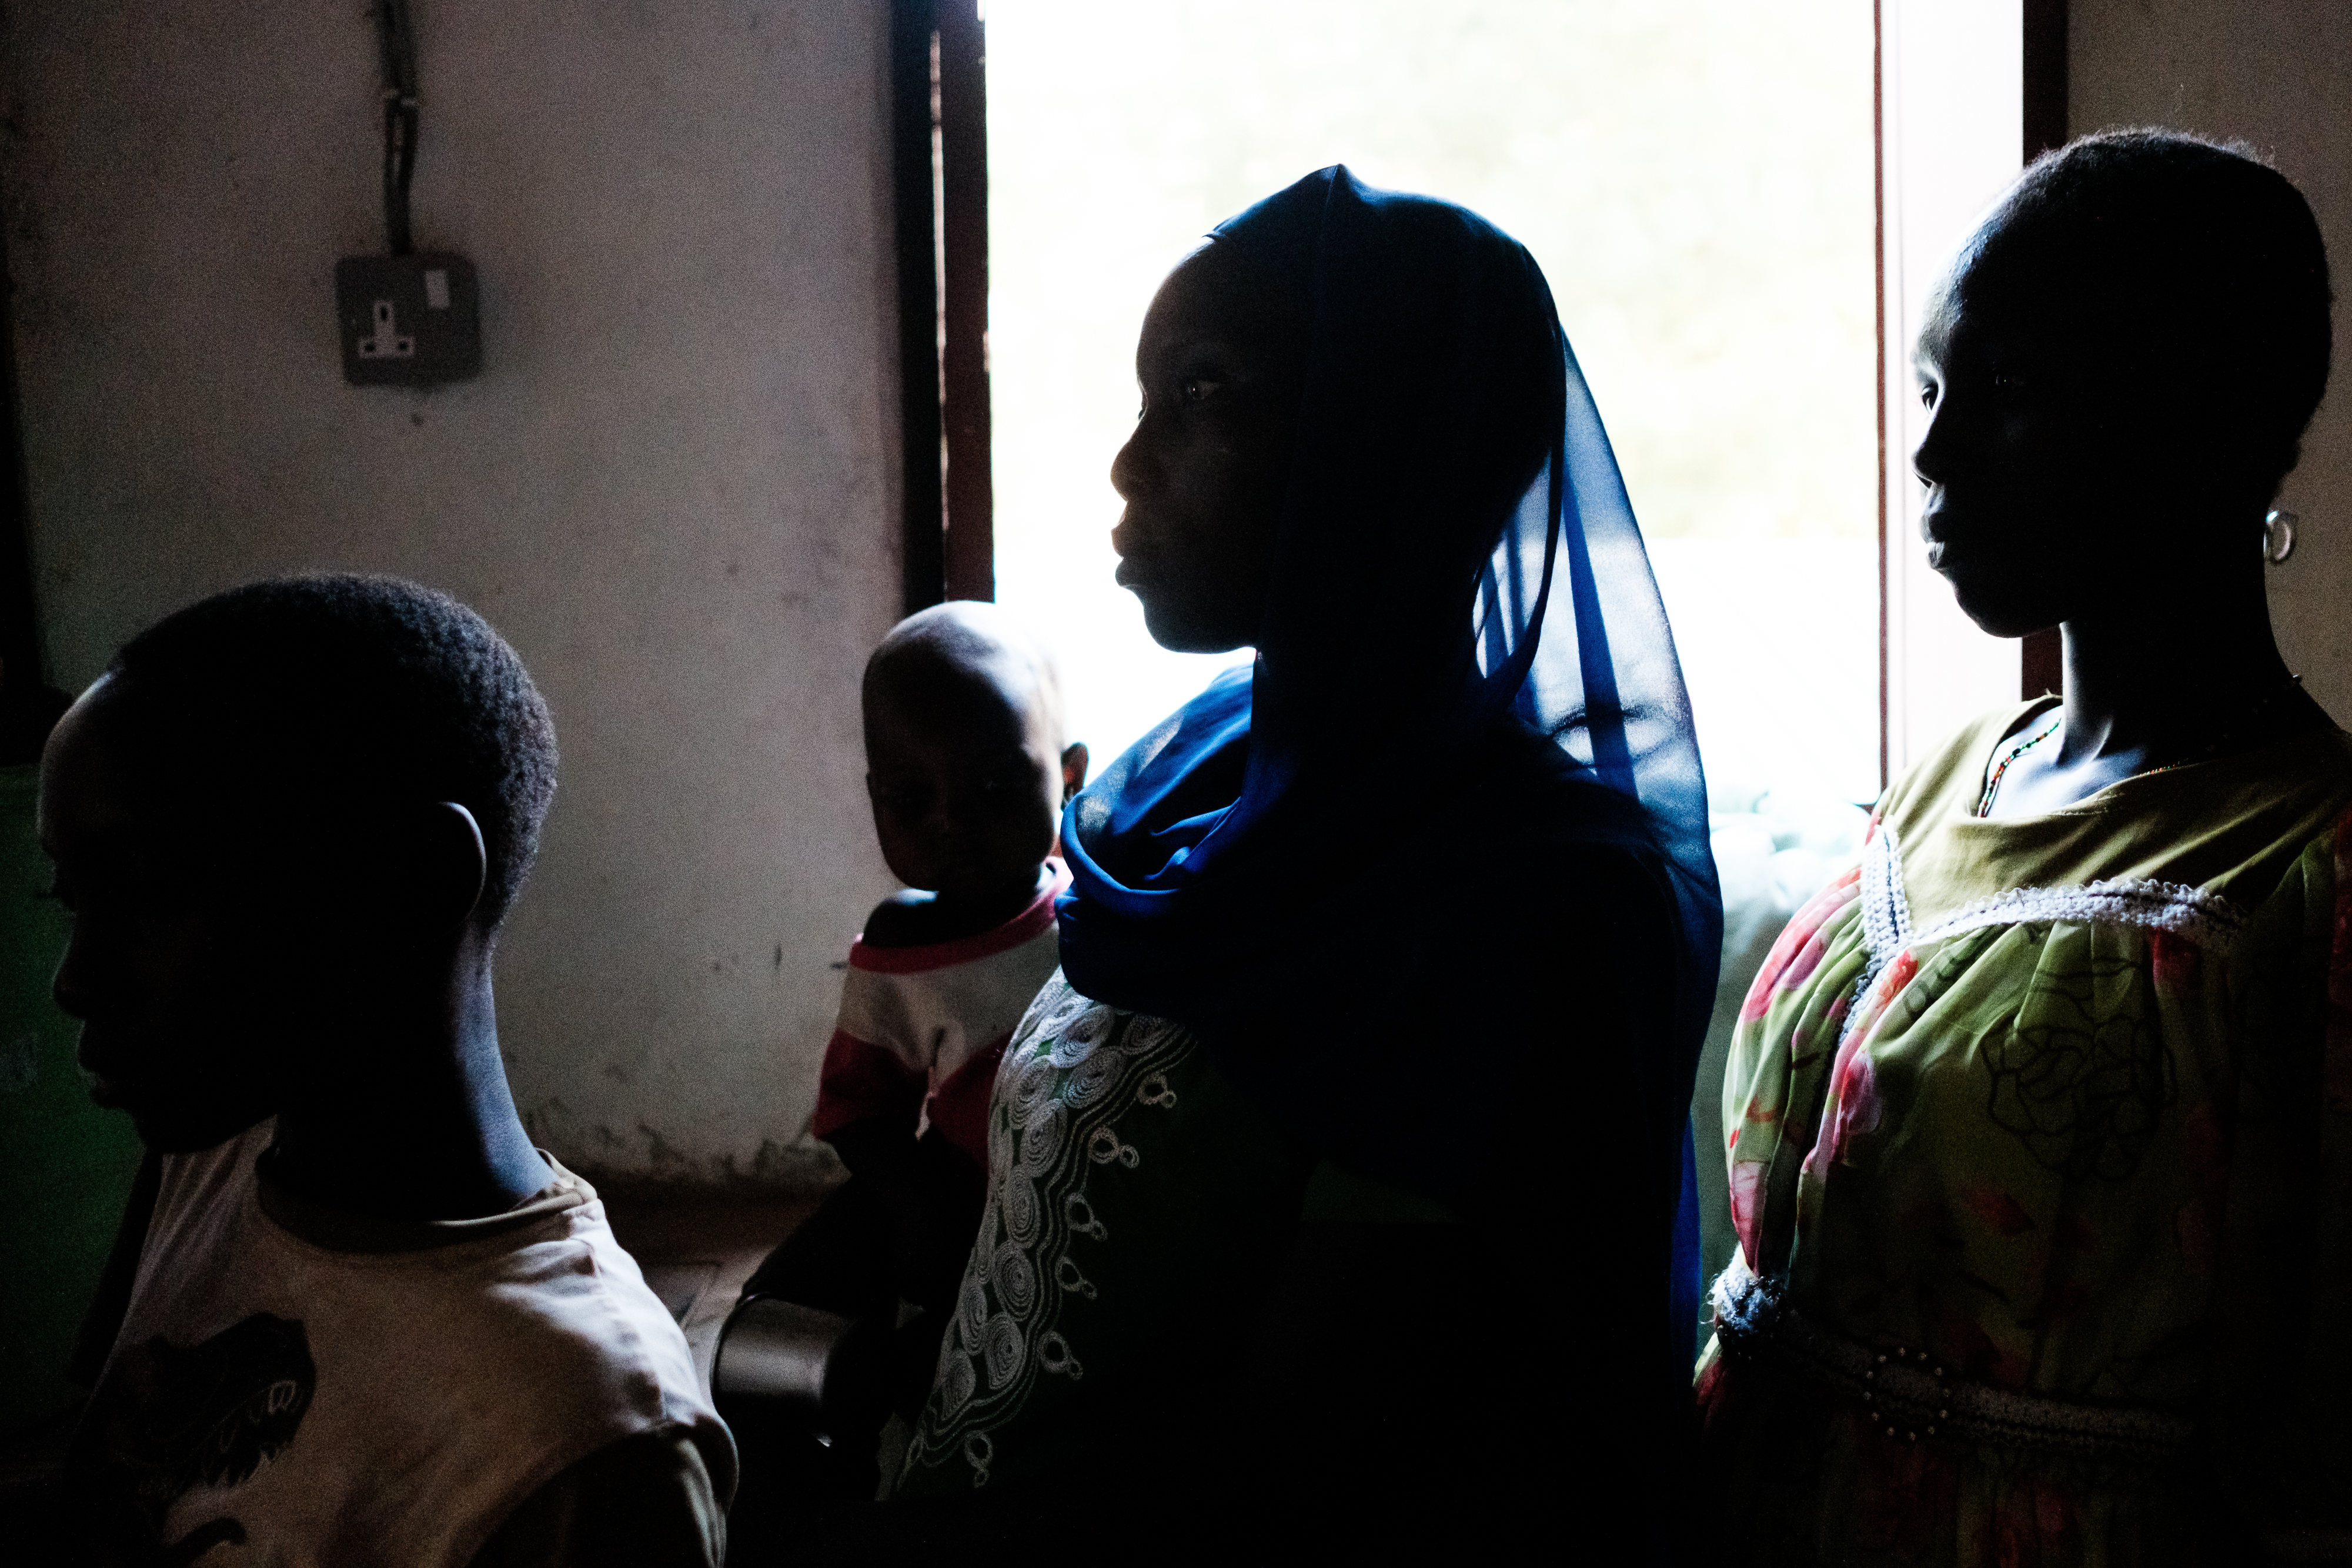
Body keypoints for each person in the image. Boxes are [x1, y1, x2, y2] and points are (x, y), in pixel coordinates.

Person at [884, 166, 1722, 1550]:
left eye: (1200, 393)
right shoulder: (1199, 769)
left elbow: (1290, 1455)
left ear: (1389, 433)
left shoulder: (1527, 893)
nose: (1126, 460)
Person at [1695, 132, 2349, 1564]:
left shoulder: (2310, 871)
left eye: (2004, 393)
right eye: (1930, 387)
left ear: (2212, 422)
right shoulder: (1943, 781)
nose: (1927, 450)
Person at [35, 574, 733, 1568]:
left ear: (415, 882)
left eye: (149, 894)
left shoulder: (581, 1440)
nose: (74, 980)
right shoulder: (215, 1158)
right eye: (67, 896)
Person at [716, 601, 1085, 1540]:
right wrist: (919, 1207)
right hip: (951, 1199)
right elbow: (858, 1110)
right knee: (788, 1331)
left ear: (1070, 776)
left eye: (999, 785)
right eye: (910, 799)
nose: (952, 824)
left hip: (1064, 1207)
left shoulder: (1095, 909)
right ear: (873, 795)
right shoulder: (901, 948)